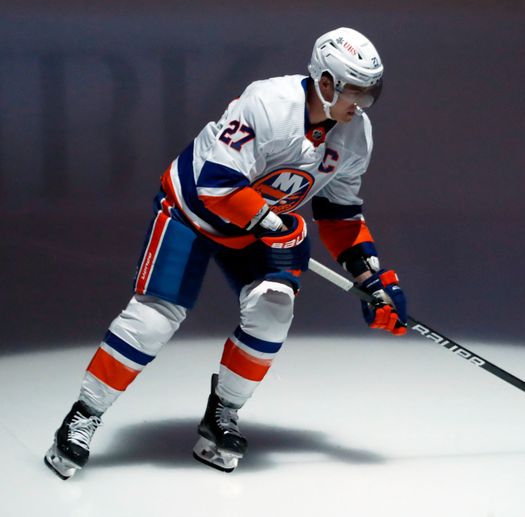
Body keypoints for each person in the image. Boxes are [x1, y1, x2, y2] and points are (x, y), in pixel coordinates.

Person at [44, 27, 408, 479]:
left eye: (370, 92)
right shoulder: (268, 103)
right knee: (154, 318)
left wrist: (370, 274)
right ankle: (83, 415)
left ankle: (222, 415)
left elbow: (340, 214)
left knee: (274, 310)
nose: (363, 103)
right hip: (193, 213)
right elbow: (215, 184)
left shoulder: (356, 135)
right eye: (355, 91)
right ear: (327, 83)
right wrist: (275, 223)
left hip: (257, 228)